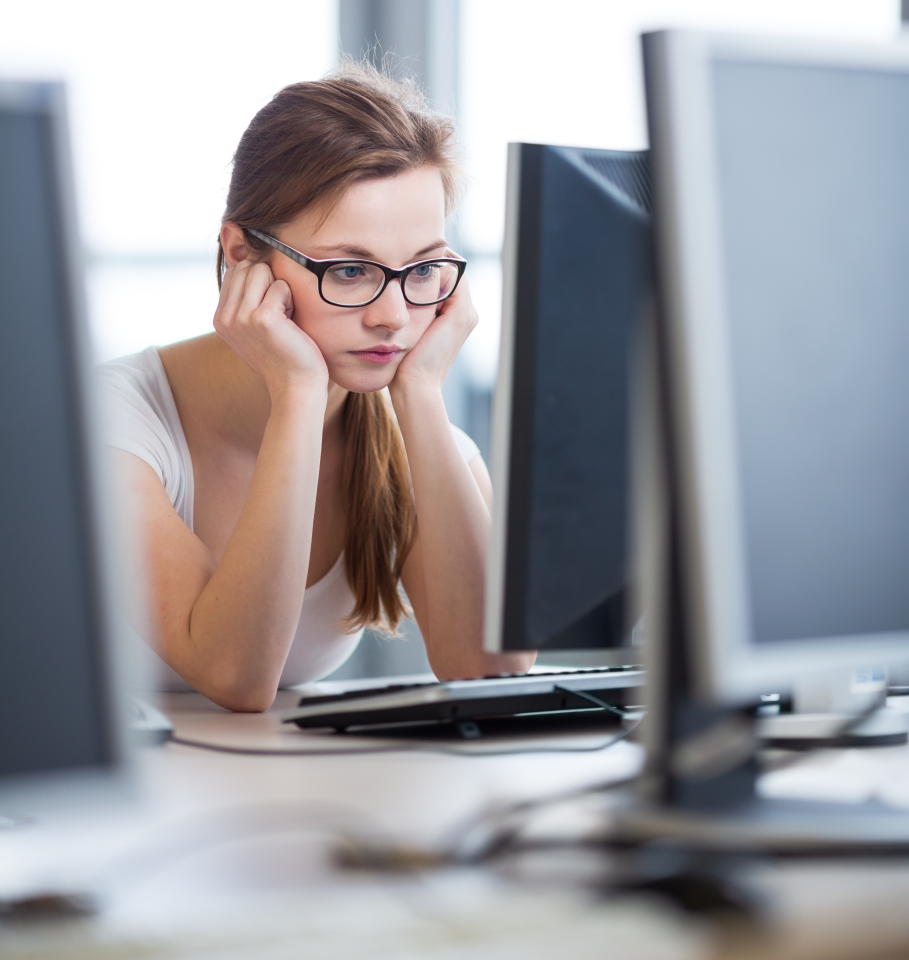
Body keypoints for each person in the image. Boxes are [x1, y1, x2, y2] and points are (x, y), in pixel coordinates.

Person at [99, 63, 535, 711]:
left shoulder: (417, 432)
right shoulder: (112, 421)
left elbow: (491, 672)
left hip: (262, 799)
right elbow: (235, 677)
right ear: (243, 255)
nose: (392, 316)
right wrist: (297, 395)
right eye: (351, 270)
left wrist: (418, 393)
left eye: (423, 269)